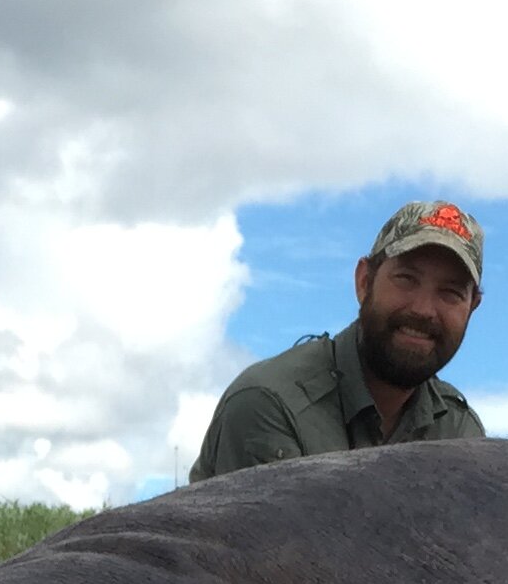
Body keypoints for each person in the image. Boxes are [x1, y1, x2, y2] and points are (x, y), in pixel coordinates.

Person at [187, 200, 487, 481]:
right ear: (364, 282)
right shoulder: (270, 405)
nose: (423, 310)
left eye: (450, 293)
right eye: (406, 279)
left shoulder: (460, 432)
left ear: (472, 308)